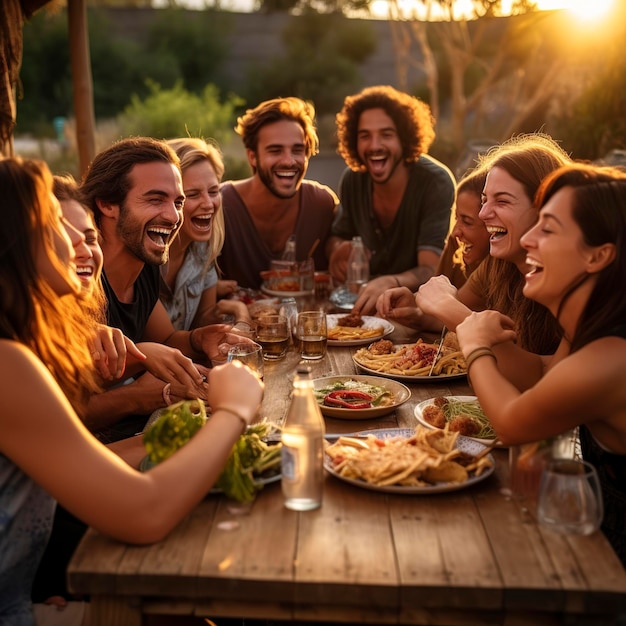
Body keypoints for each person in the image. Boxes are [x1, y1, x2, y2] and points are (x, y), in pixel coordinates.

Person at [0, 156, 264, 626]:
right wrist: (234, 412)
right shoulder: (8, 364)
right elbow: (144, 513)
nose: (83, 243)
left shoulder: (24, 344)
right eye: (55, 225)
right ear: (14, 243)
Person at [454, 163, 626, 565]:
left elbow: (512, 424)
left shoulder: (611, 356)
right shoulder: (589, 333)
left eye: (547, 229)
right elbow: (546, 375)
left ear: (598, 256)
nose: (528, 240)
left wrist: (476, 345)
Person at [80, 137, 251, 440]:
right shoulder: (78, 281)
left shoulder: (144, 268)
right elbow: (53, 416)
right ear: (107, 204)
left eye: (178, 202)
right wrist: (135, 398)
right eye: (155, 199)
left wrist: (200, 339)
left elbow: (168, 339)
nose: (174, 217)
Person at [379, 133, 572, 356]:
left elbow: (543, 377)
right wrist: (417, 312)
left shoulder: (574, 282)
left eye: (502, 201)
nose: (483, 213)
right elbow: (448, 317)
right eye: (484, 201)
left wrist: (448, 308)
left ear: (546, 208)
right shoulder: (498, 265)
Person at [327, 85, 456, 315]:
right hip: (361, 307)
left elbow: (431, 268)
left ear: (405, 139)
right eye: (365, 136)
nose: (375, 146)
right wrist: (339, 249)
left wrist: (392, 282)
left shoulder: (434, 182)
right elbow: (339, 237)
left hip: (415, 311)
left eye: (386, 135)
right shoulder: (353, 180)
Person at [219, 96, 339, 290]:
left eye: (297, 150)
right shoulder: (220, 205)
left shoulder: (322, 203)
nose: (289, 161)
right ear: (252, 157)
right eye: (275, 151)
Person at [377, 168, 489, 328]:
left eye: (467, 222)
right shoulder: (458, 248)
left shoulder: (504, 267)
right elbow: (449, 316)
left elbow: (475, 328)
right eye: (456, 218)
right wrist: (416, 309)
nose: (455, 232)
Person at [161, 137, 252, 331]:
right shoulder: (147, 255)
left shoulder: (202, 249)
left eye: (213, 191)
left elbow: (201, 325)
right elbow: (167, 340)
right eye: (192, 195)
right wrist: (243, 319)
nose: (209, 204)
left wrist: (234, 309)